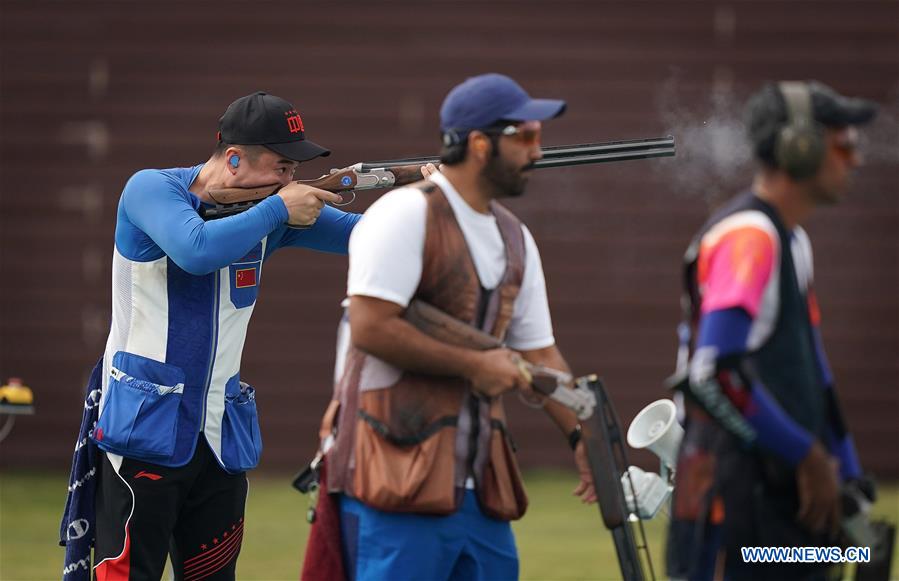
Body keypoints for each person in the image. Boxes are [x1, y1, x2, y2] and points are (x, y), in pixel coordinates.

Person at [61, 91, 365, 580]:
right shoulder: (151, 190)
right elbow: (195, 251)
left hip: (221, 438)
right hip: (144, 432)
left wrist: (437, 201)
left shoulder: (270, 210)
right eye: (281, 166)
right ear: (234, 158)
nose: (289, 181)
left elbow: (364, 234)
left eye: (293, 170)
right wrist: (278, 209)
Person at [312, 73, 597, 581]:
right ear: (482, 145)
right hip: (392, 478)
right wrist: (476, 364)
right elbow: (371, 327)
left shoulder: (515, 237)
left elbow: (541, 354)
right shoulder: (403, 213)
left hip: (479, 484)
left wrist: (584, 440)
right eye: (526, 137)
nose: (538, 152)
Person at [667, 81, 877, 580]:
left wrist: (846, 477)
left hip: (779, 502)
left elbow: (815, 370)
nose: (856, 161)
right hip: (736, 505)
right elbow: (713, 374)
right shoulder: (750, 238)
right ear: (798, 147)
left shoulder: (792, 241)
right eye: (844, 145)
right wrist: (807, 457)